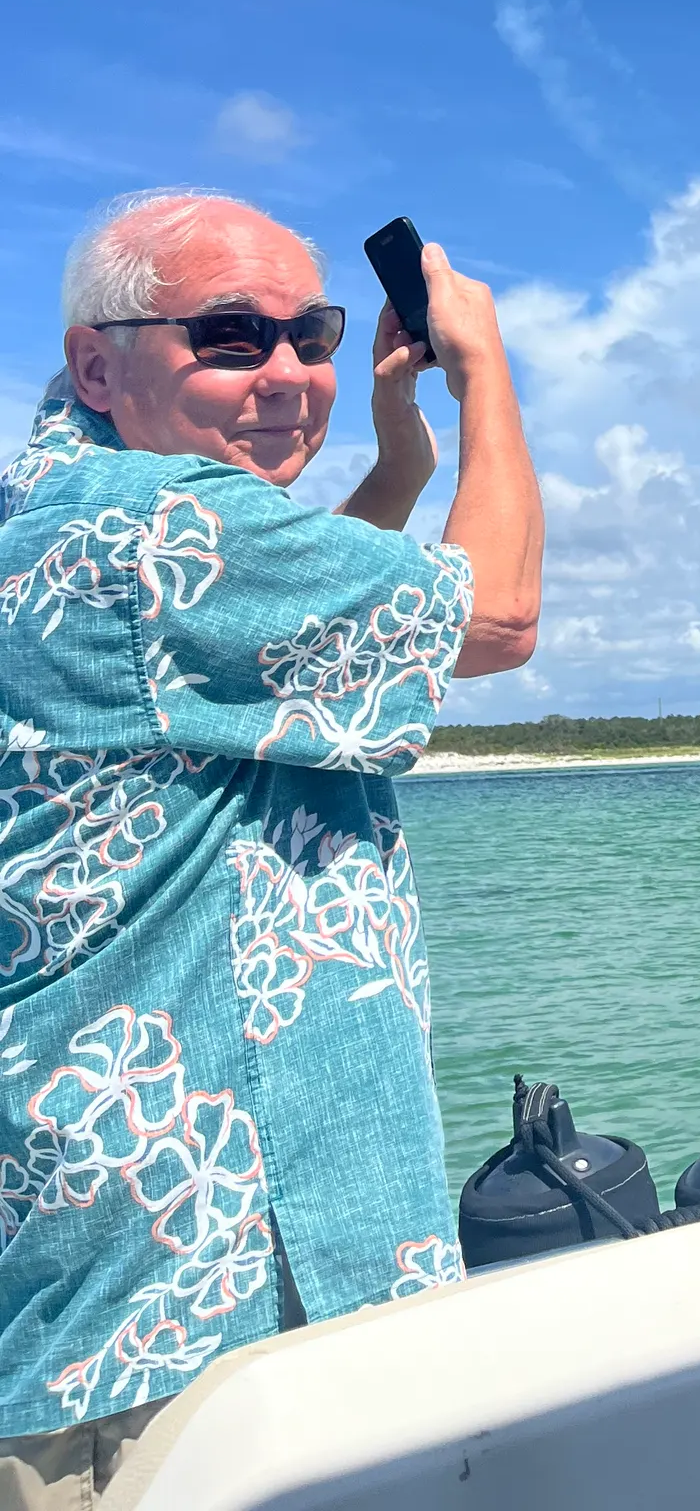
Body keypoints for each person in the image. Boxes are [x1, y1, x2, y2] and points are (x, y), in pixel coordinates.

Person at [0, 189, 543, 1499]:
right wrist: (484, 377)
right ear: (96, 360)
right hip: (187, 1301)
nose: (291, 373)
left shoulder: (69, 507)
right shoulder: (156, 524)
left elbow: (283, 635)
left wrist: (399, 450)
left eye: (311, 334)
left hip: (105, 1264)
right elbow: (501, 618)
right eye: (231, 336)